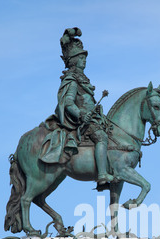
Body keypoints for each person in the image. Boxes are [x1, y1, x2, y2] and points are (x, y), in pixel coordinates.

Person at [42, 28, 114, 186]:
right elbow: (68, 103)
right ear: (73, 60)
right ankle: (102, 175)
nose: (84, 60)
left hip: (93, 118)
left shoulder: (82, 79)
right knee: (101, 137)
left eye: (84, 58)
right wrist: (81, 114)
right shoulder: (72, 80)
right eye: (81, 58)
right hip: (82, 121)